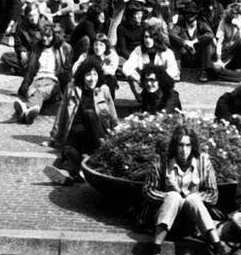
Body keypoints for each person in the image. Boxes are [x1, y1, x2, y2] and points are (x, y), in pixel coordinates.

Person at [143, 125, 226, 255]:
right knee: (173, 197)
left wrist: (186, 197)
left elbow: (212, 194)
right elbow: (148, 190)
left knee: (193, 198)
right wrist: (170, 196)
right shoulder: (161, 161)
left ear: (193, 146)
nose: (184, 150)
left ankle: (220, 253)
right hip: (165, 218)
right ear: (175, 146)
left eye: (188, 145)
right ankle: (154, 253)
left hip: (192, 221)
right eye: (180, 145)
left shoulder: (203, 161)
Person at [46, 55, 117, 186]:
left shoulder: (104, 90)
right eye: (88, 75)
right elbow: (61, 113)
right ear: (82, 76)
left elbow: (113, 116)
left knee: (89, 114)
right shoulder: (72, 88)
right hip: (77, 133)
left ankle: (94, 163)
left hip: (97, 135)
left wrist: (117, 137)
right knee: (70, 149)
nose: (92, 79)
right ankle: (68, 174)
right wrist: (54, 137)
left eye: (95, 74)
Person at [14, 19, 71, 124]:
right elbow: (31, 69)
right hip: (37, 80)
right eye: (43, 36)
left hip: (53, 82)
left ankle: (25, 110)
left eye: (48, 36)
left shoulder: (62, 48)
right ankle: (27, 115)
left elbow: (67, 69)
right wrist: (26, 86)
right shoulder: (37, 48)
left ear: (54, 36)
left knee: (39, 92)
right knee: (32, 91)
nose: (45, 39)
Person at [122, 24, 180, 99]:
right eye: (145, 37)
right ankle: (141, 98)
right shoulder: (138, 50)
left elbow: (174, 70)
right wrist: (139, 79)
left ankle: (162, 97)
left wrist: (158, 78)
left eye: (151, 37)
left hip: (160, 82)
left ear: (156, 38)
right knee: (130, 75)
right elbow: (126, 67)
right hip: (145, 83)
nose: (147, 40)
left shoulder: (166, 52)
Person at [210, 3, 241, 80]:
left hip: (236, 55)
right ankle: (239, 76)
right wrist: (219, 59)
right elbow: (219, 42)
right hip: (224, 54)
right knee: (215, 70)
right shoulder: (223, 23)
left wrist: (240, 28)